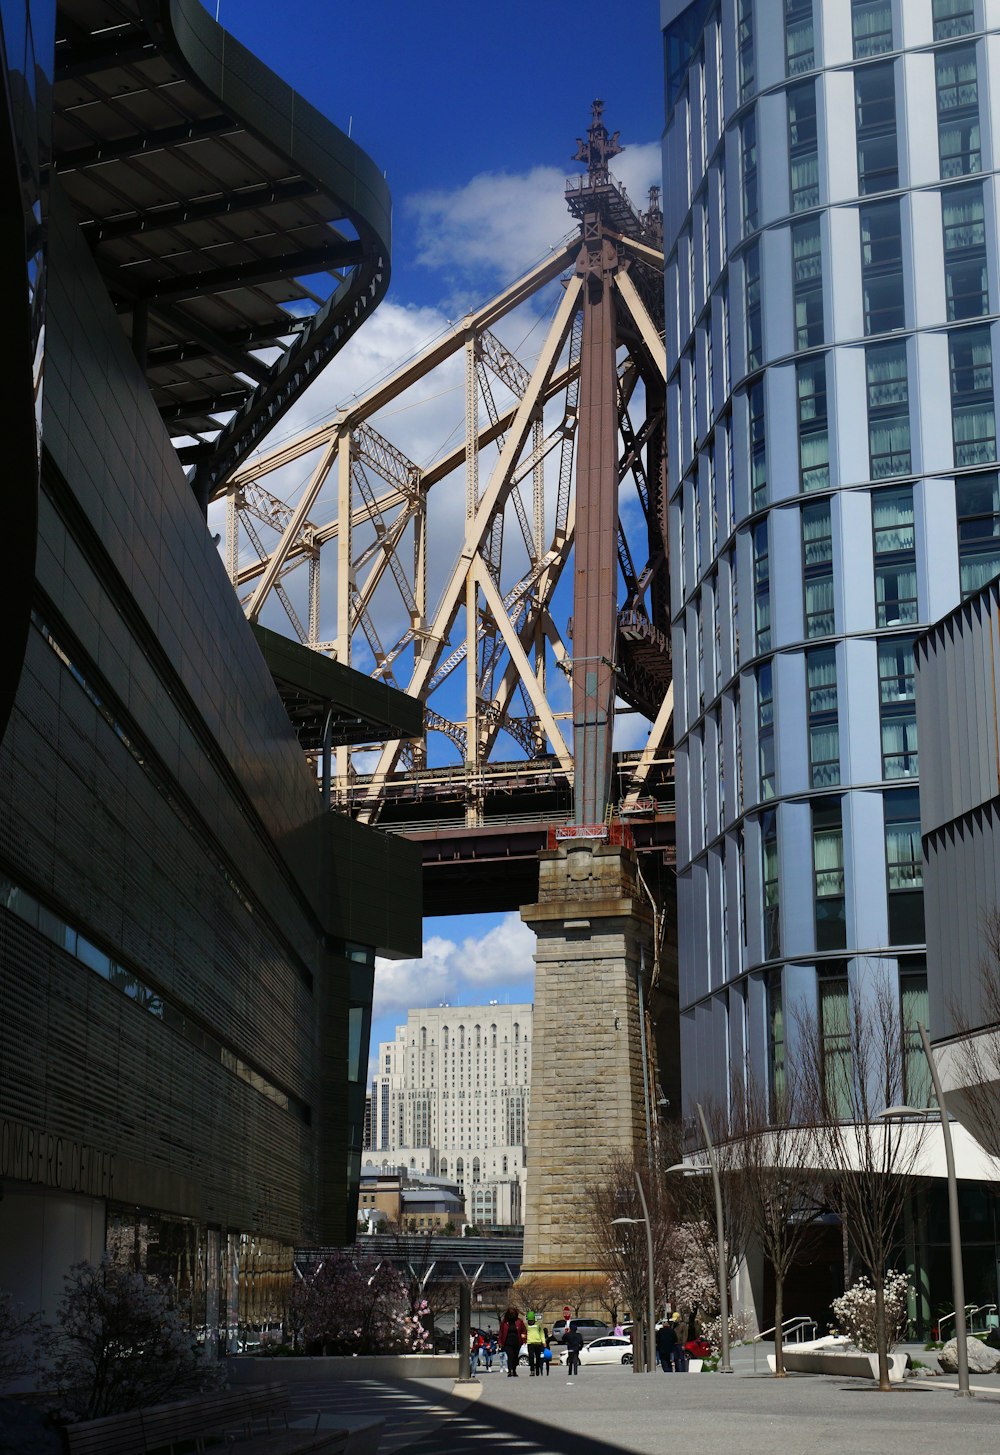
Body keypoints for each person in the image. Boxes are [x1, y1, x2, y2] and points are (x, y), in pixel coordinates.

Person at [499, 1306, 527, 1377]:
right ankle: (509, 1371)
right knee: (510, 1356)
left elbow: (524, 1330)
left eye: (513, 1314)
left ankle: (514, 1370)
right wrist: (500, 1342)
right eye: (511, 1314)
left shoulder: (519, 1321)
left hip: (517, 1342)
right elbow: (501, 1333)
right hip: (507, 1342)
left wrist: (524, 1338)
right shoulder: (504, 1322)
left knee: (515, 1357)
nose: (512, 1316)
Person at [525, 1311, 545, 1376]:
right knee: (531, 1357)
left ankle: (537, 1369)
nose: (530, 1322)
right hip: (530, 1342)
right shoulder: (526, 1325)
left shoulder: (538, 1324)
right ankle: (532, 1370)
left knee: (538, 1357)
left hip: (538, 1343)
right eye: (529, 1320)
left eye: (532, 1320)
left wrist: (543, 1341)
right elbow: (524, 1333)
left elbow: (542, 1333)